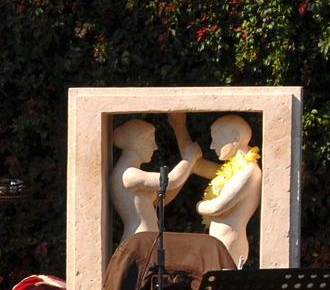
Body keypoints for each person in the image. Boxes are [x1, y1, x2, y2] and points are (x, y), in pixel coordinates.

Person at [169, 112, 261, 266]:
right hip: (219, 242)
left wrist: (199, 206)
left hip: (230, 243)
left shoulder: (249, 171)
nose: (212, 146)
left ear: (235, 137)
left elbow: (219, 206)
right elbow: (196, 165)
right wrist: (179, 127)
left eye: (216, 139)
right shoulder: (232, 170)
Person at [109, 118, 201, 242]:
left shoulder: (131, 173)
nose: (155, 147)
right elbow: (171, 181)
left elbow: (161, 199)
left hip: (148, 239)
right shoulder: (128, 174)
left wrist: (188, 170)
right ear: (137, 143)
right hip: (139, 240)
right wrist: (190, 156)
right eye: (151, 141)